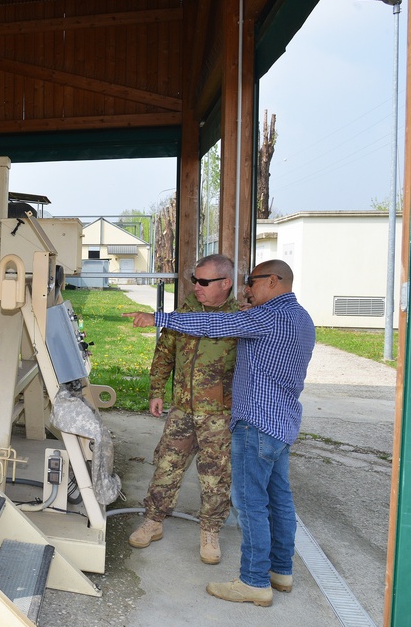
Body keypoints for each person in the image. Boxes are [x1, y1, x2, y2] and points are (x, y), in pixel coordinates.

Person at [124, 259, 315, 607]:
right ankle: (280, 571)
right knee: (279, 501)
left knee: (250, 504)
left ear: (273, 281)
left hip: (253, 422)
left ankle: (254, 581)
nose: (248, 288)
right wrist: (158, 388)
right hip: (279, 421)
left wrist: (160, 317)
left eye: (252, 282)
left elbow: (214, 325)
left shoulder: (263, 316)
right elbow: (173, 348)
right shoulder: (301, 317)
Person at [128, 254, 237, 566]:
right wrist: (156, 391)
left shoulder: (240, 317)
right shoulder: (185, 312)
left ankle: (211, 532)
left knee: (215, 476)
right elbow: (164, 353)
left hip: (219, 413)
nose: (197, 287)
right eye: (195, 280)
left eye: (204, 282)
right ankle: (153, 521)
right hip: (183, 409)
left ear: (225, 283)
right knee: (167, 465)